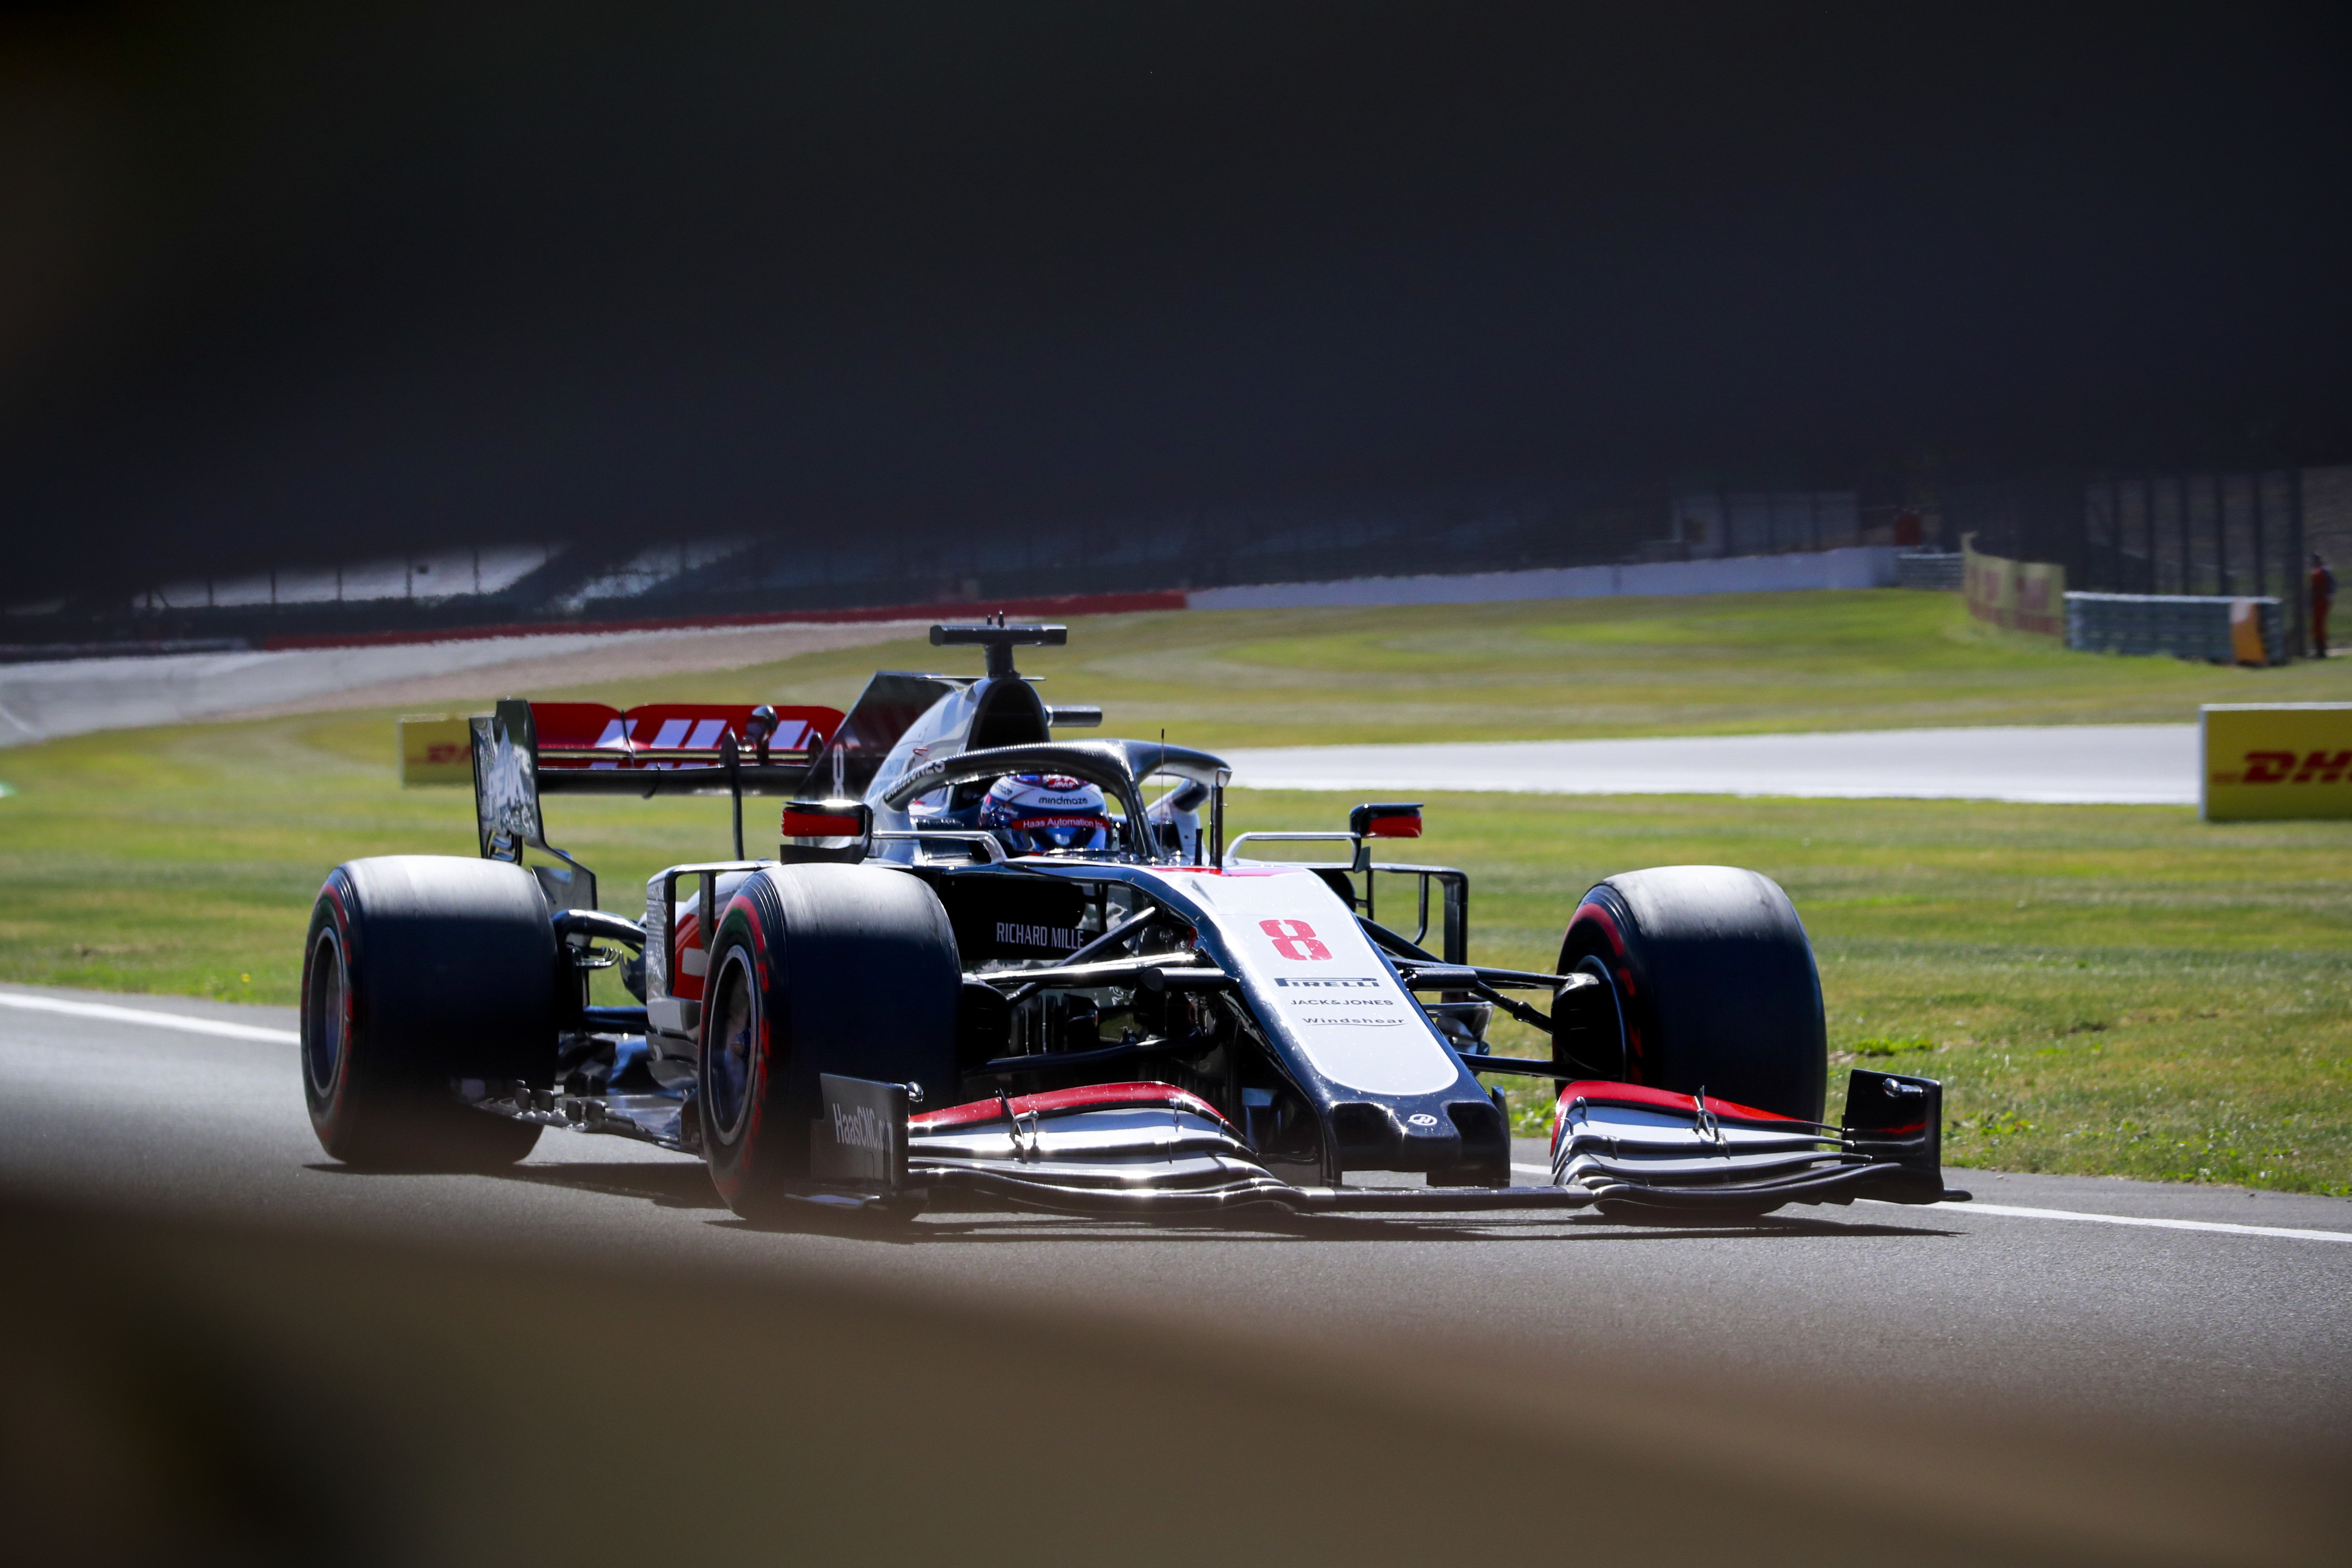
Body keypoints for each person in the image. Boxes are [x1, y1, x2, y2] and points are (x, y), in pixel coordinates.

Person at [2312, 552, 2336, 658]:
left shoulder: (2324, 571)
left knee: (2320, 625)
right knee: (2317, 625)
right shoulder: (2317, 571)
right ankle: (2320, 648)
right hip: (2317, 601)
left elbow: (2332, 585)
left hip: (2322, 601)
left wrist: (2329, 596)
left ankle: (2322, 649)